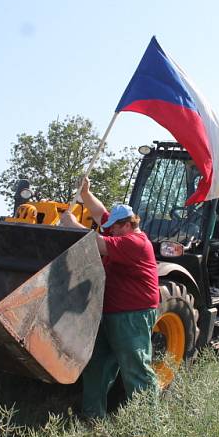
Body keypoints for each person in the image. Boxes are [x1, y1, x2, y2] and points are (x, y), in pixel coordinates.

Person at [59, 178, 160, 419]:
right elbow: (100, 214)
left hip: (133, 314)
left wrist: (72, 224)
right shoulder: (119, 230)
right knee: (97, 365)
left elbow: (98, 244)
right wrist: (86, 193)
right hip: (110, 313)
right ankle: (93, 416)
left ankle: (147, 424)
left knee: (135, 368)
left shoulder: (135, 243)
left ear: (127, 224)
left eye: (114, 226)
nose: (109, 228)